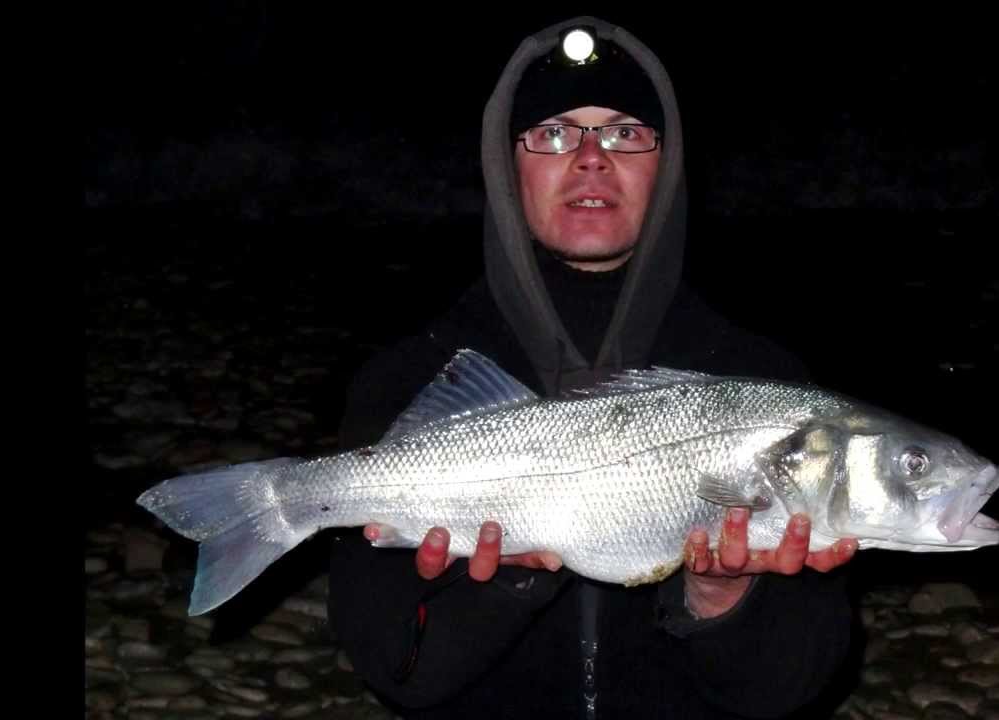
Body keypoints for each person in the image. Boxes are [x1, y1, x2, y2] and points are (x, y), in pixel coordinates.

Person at [328, 16, 860, 720]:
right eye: (552, 133)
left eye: (624, 133)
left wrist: (723, 599)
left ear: (665, 165)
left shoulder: (761, 387)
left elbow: (792, 692)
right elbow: (401, 672)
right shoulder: (417, 376)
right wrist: (500, 585)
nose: (589, 158)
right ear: (505, 165)